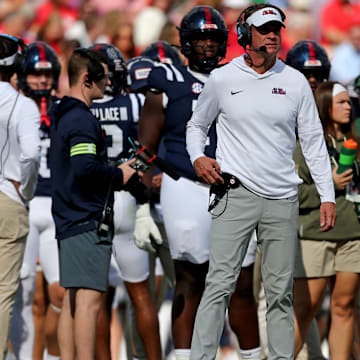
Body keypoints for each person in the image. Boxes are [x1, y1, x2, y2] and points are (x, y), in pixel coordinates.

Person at [185, 4, 336, 360]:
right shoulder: (222, 79)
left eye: (276, 29)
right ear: (244, 34)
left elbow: (313, 141)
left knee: (280, 291)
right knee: (218, 286)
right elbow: (196, 126)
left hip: (282, 198)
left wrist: (327, 195)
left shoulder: (295, 80)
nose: (272, 35)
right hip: (233, 194)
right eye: (264, 29)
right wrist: (197, 157)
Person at [138, 6, 260, 360]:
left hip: (234, 186)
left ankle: (250, 355)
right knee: (189, 281)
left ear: (223, 44)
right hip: (184, 186)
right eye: (200, 39)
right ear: (185, 43)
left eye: (212, 39)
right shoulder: (166, 83)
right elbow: (146, 149)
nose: (206, 46)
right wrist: (145, 206)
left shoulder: (240, 78)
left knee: (240, 284)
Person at [50, 48, 138, 360]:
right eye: (102, 77)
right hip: (85, 217)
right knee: (88, 301)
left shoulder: (63, 112)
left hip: (68, 214)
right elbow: (84, 168)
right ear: (87, 80)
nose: (108, 83)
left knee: (73, 301)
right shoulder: (80, 119)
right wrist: (120, 173)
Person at [89, 43, 163, 360]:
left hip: (95, 202)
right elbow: (150, 145)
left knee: (97, 297)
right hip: (131, 199)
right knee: (141, 295)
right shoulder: (136, 102)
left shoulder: (79, 107)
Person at [293, 81, 360, 360]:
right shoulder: (305, 144)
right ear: (324, 106)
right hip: (315, 234)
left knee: (344, 307)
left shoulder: (354, 141)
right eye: (342, 102)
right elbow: (293, 194)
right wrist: (328, 185)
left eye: (349, 102)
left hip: (353, 235)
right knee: (304, 310)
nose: (349, 107)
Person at [9, 40, 63, 360]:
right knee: (25, 292)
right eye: (35, 75)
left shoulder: (65, 110)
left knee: (60, 293)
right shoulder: (12, 111)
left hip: (55, 206)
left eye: (47, 75)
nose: (42, 81)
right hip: (23, 205)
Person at [0, 34, 41, 360]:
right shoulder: (23, 104)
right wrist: (24, 189)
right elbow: (29, 155)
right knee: (2, 292)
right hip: (8, 199)